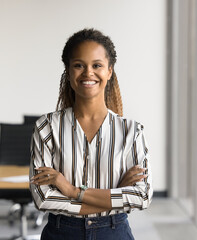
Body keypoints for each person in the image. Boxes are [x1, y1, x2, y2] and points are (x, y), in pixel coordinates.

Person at [29, 28, 153, 240]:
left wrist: (71, 191)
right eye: (79, 65)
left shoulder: (131, 131)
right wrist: (115, 194)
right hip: (62, 233)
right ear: (68, 72)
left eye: (97, 65)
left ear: (109, 71)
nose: (88, 73)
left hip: (114, 233)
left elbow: (142, 196)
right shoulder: (47, 127)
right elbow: (44, 198)